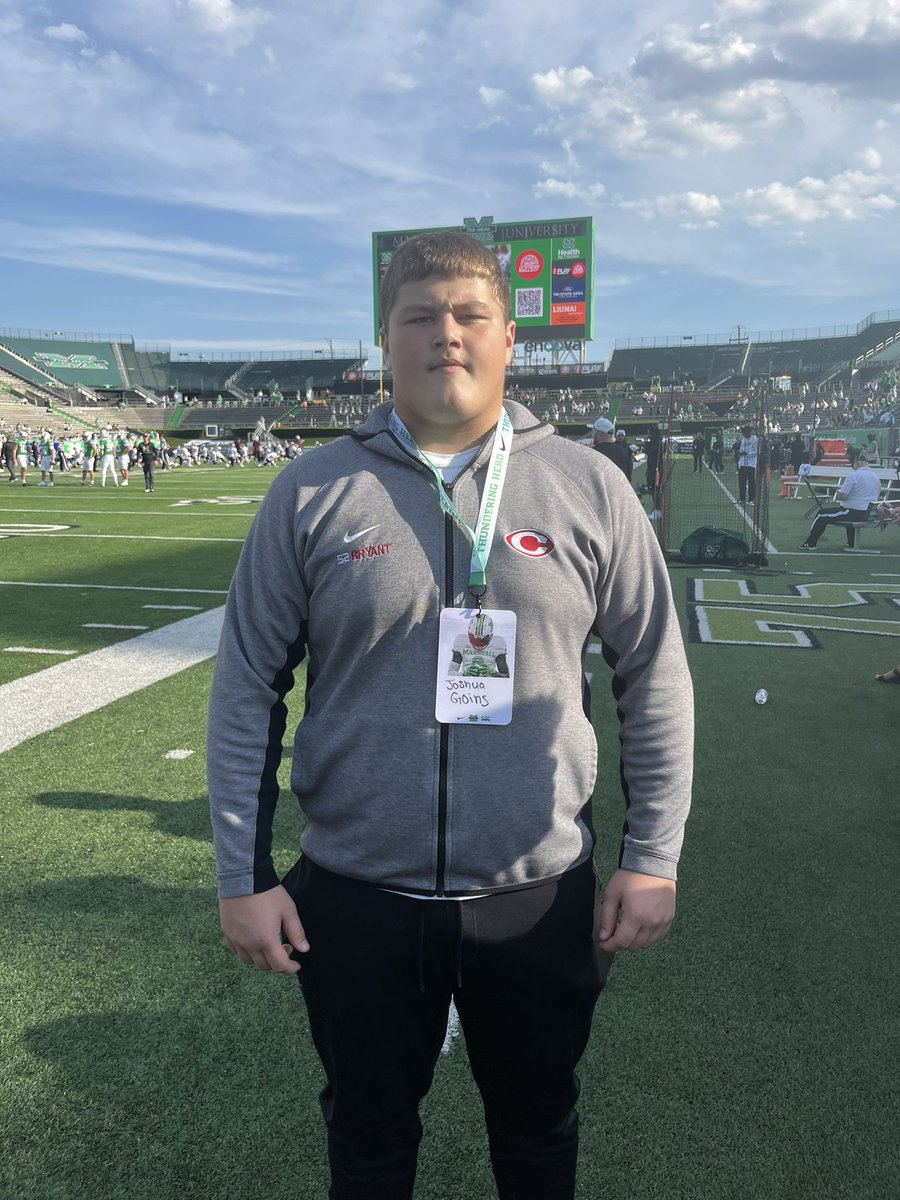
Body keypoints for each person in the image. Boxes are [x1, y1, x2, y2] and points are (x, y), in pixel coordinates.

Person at [208, 231, 693, 1200]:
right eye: (420, 316)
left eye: (470, 315)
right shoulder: (310, 491)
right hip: (356, 897)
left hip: (537, 893)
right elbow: (246, 683)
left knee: (539, 1132)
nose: (447, 336)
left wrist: (653, 856)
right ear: (384, 340)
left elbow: (655, 675)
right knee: (368, 1144)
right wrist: (242, 875)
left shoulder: (591, 487)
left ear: (511, 338)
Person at [800, 450, 881, 550]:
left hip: (853, 512)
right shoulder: (875, 477)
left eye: (852, 463)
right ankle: (851, 543)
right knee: (842, 513)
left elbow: (842, 496)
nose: (852, 466)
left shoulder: (854, 476)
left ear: (857, 462)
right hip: (869, 514)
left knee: (822, 514)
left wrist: (836, 492)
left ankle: (810, 543)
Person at [644, 425, 664, 518]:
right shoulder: (655, 441)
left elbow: (649, 451)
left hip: (656, 468)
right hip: (652, 467)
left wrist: (646, 443)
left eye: (649, 432)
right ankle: (657, 508)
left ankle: (658, 510)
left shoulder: (657, 442)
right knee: (653, 489)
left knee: (655, 489)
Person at [737, 424, 758, 505]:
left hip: (751, 464)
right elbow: (741, 450)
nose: (744, 435)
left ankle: (751, 499)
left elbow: (757, 452)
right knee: (742, 482)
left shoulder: (755, 439)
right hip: (742, 463)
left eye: (745, 433)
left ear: (749, 432)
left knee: (751, 482)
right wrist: (740, 453)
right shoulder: (743, 440)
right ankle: (742, 499)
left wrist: (747, 453)